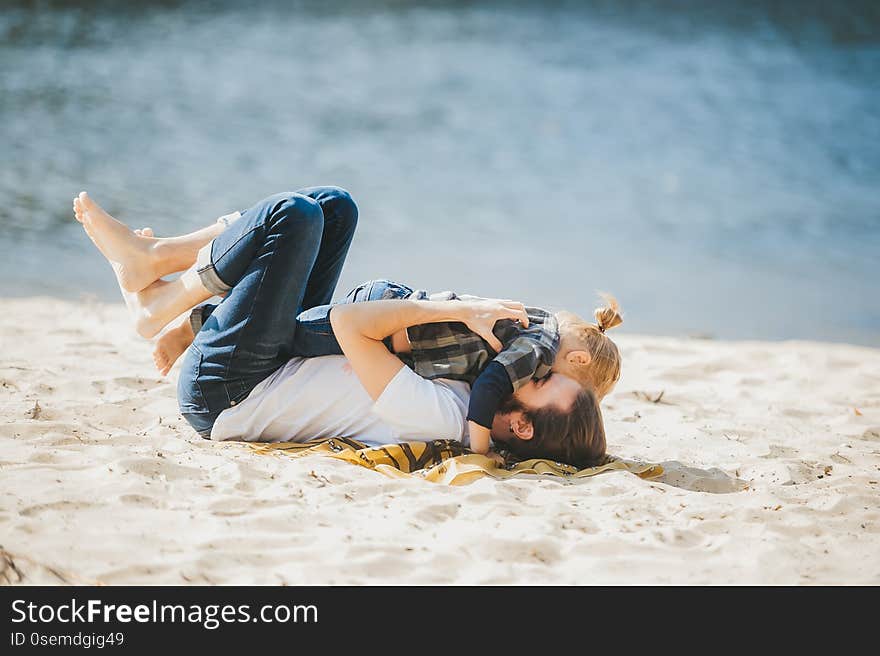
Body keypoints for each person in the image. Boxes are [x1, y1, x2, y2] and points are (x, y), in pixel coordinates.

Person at [72, 186, 607, 467]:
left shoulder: (446, 417)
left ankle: (161, 293)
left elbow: (349, 323)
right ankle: (169, 276)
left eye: (538, 382)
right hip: (275, 360)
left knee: (294, 215)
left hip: (230, 393)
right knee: (334, 207)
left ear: (523, 426)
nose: (529, 370)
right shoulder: (482, 382)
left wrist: (455, 311)